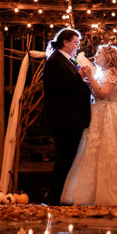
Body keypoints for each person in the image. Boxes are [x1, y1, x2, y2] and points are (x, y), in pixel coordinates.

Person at [62, 43, 117, 206]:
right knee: (93, 153)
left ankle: (111, 192)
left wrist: (89, 77)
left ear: (108, 58)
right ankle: (91, 193)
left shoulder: (112, 72)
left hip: (108, 117)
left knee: (108, 151)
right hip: (98, 116)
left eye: (99, 53)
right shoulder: (103, 72)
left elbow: (103, 94)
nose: (95, 55)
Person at [41, 28, 91, 204]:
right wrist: (79, 76)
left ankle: (55, 195)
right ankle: (53, 197)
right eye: (76, 42)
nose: (78, 46)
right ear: (66, 42)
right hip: (64, 120)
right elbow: (58, 87)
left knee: (66, 158)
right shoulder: (55, 61)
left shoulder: (67, 61)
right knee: (64, 158)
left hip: (72, 119)